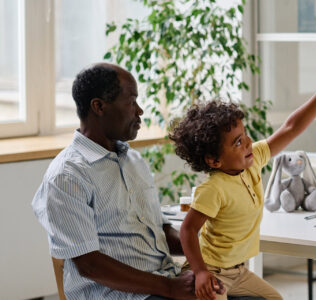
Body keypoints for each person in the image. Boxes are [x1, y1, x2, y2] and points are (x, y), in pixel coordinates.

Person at [32, 63, 220, 300]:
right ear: (99, 106)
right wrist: (169, 287)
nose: (140, 111)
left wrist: (210, 255)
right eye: (131, 101)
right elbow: (89, 264)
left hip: (162, 282)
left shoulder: (134, 160)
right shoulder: (67, 176)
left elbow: (160, 232)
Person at [169, 70, 316, 300]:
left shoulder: (253, 161)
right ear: (214, 160)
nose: (248, 142)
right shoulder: (213, 189)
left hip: (239, 271)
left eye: (245, 134)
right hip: (212, 271)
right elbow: (188, 230)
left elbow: (291, 127)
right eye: (238, 142)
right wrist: (199, 273)